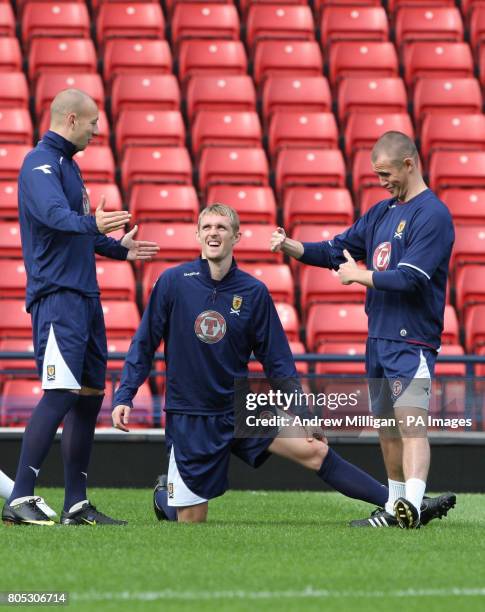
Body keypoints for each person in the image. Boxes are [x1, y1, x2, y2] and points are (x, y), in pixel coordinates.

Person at [112, 203, 452, 526]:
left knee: (314, 449)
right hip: (192, 415)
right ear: (197, 236)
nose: (214, 233)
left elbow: (277, 361)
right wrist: (125, 394)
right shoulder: (173, 282)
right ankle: (164, 495)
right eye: (207, 228)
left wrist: (303, 415)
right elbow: (144, 343)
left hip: (241, 406)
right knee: (190, 521)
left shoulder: (254, 291)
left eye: (222, 228)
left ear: (236, 237)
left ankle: (400, 505)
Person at [270, 131, 456, 529]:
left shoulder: (433, 215)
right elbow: (336, 249)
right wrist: (292, 247)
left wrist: (360, 275)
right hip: (378, 339)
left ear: (410, 163)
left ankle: (414, 504)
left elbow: (410, 279)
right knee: (387, 430)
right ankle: (394, 508)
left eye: (386, 173)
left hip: (412, 339)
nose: (381, 181)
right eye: (377, 175)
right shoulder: (380, 213)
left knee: (411, 426)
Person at [2, 89, 159, 527]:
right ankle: (20, 497)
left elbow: (78, 232)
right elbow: (55, 217)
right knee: (61, 393)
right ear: (71, 119)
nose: (96, 130)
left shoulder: (69, 167)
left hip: (85, 298)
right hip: (58, 299)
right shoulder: (39, 164)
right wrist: (93, 223)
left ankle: (76, 504)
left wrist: (118, 249)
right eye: (92, 123)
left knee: (89, 398)